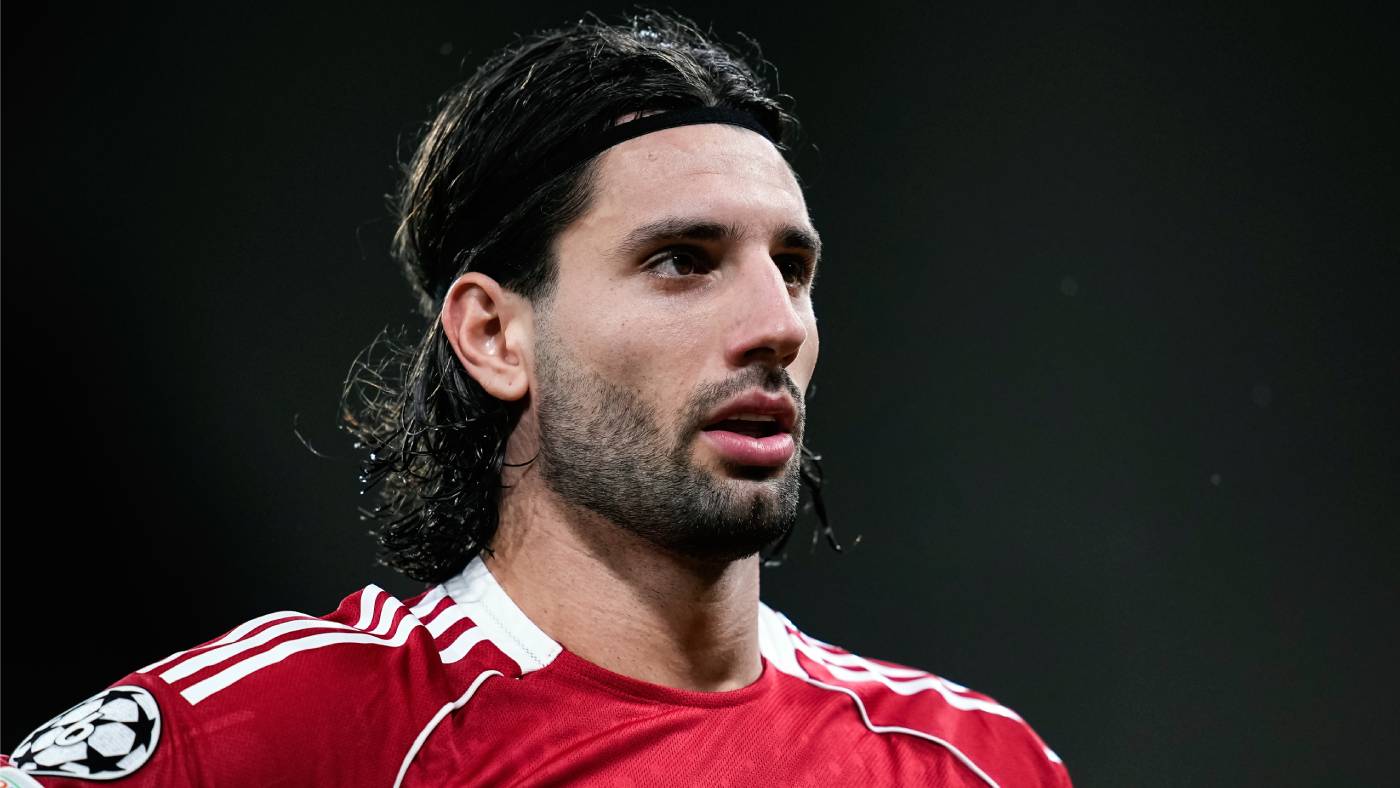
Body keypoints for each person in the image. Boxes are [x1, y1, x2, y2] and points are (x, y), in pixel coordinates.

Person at [3, 12, 1071, 787]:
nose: (778, 325)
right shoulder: (287, 737)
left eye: (791, 269)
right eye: (681, 260)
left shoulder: (975, 761)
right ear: (493, 334)